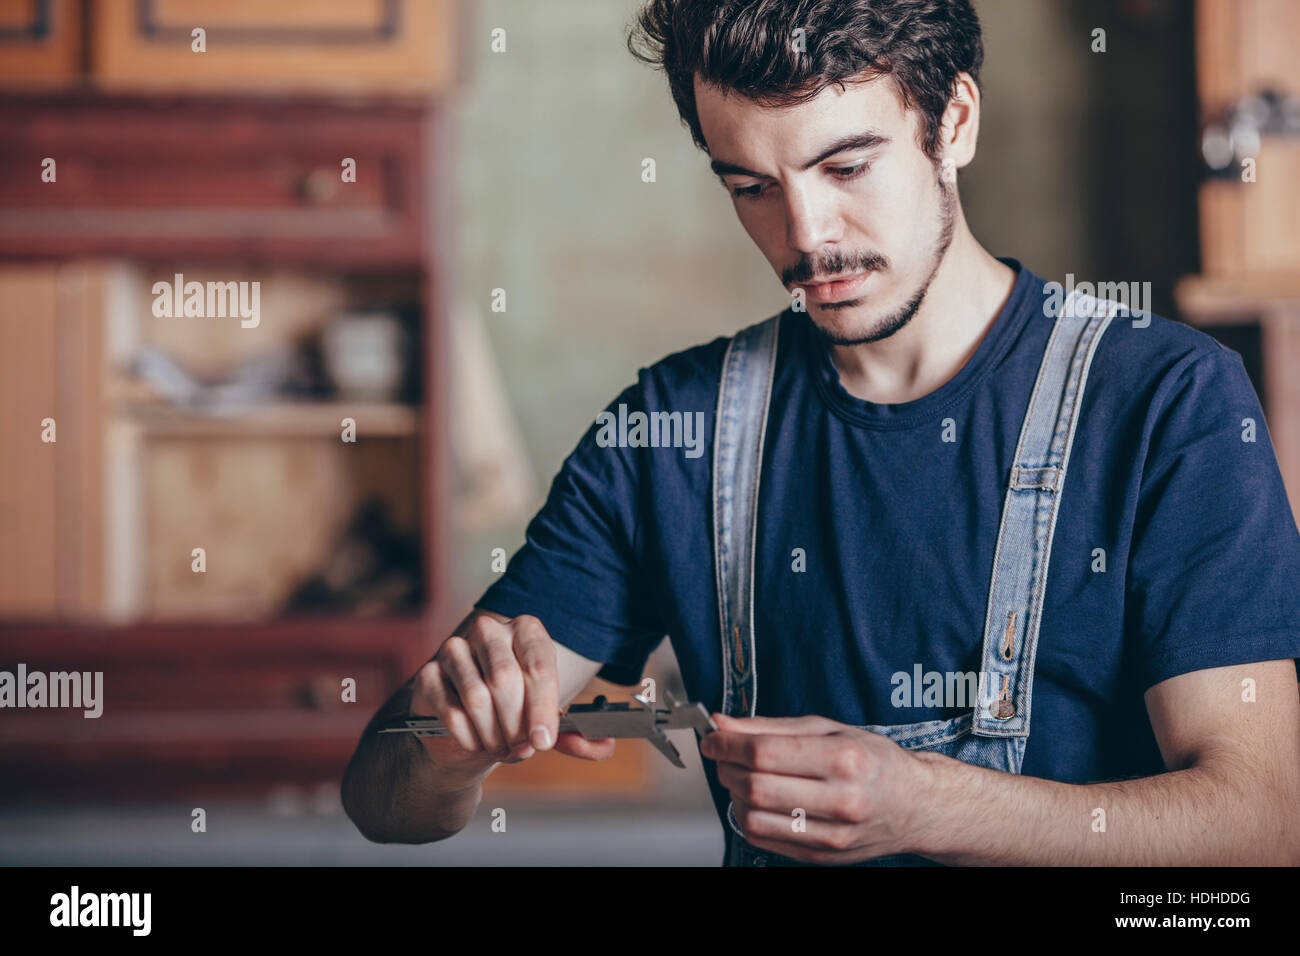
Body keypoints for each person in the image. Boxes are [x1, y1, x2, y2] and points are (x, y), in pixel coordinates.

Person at [342, 0, 1300, 865]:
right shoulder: (670, 431)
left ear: (954, 121)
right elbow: (382, 797)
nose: (806, 237)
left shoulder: (1169, 401)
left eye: (845, 166)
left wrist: (927, 805)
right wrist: (448, 740)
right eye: (750, 186)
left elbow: (1263, 819)